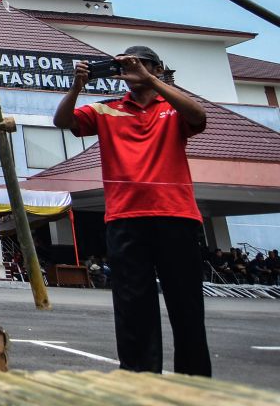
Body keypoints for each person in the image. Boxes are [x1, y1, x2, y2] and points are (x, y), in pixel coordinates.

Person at [53, 46, 211, 376]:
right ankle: (139, 378)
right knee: (132, 307)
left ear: (155, 67)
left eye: (138, 64)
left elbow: (199, 117)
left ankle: (196, 383)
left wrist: (153, 81)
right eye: (124, 65)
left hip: (175, 216)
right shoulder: (107, 110)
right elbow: (62, 120)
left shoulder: (173, 108)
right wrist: (77, 86)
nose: (131, 70)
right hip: (125, 219)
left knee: (187, 306)